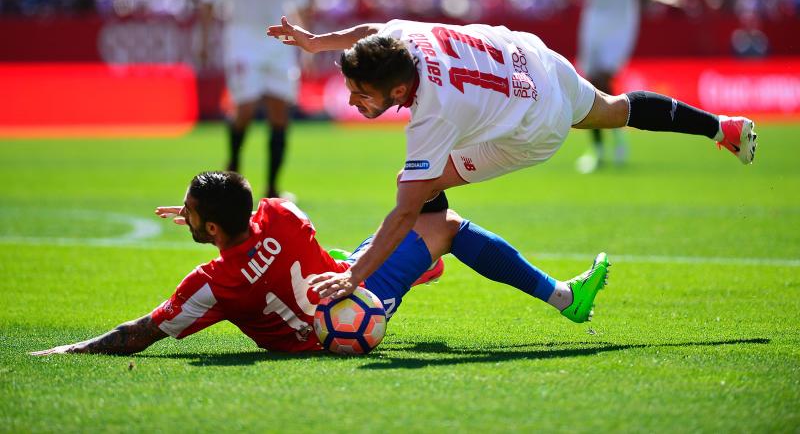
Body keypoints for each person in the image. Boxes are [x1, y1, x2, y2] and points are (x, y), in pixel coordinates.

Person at [265, 16, 756, 301]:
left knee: (423, 192)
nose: (353, 102)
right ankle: (721, 126)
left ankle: (546, 291)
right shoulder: (401, 42)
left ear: (398, 88)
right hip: (532, 59)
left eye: (360, 94)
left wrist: (354, 274)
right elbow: (372, 30)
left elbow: (405, 209)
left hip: (533, 127)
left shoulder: (434, 113)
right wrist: (317, 42)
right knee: (614, 110)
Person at [30, 171, 609, 356]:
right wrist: (215, 218)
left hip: (326, 333)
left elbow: (142, 333)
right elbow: (276, 214)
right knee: (444, 222)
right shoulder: (281, 217)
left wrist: (70, 350)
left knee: (408, 231)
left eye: (191, 210)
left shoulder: (212, 284)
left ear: (208, 230)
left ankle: (410, 266)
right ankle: (563, 297)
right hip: (352, 301)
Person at [563, 0, 686, 173]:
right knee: (591, 82)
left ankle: (609, 140)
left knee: (602, 77)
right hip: (594, 20)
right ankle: (604, 143)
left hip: (622, 22)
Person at [198, 0, 309, 198]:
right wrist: (204, 41)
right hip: (242, 40)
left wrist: (307, 45)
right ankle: (233, 171)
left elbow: (298, 3)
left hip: (279, 42)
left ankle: (273, 188)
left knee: (279, 112)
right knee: (245, 108)